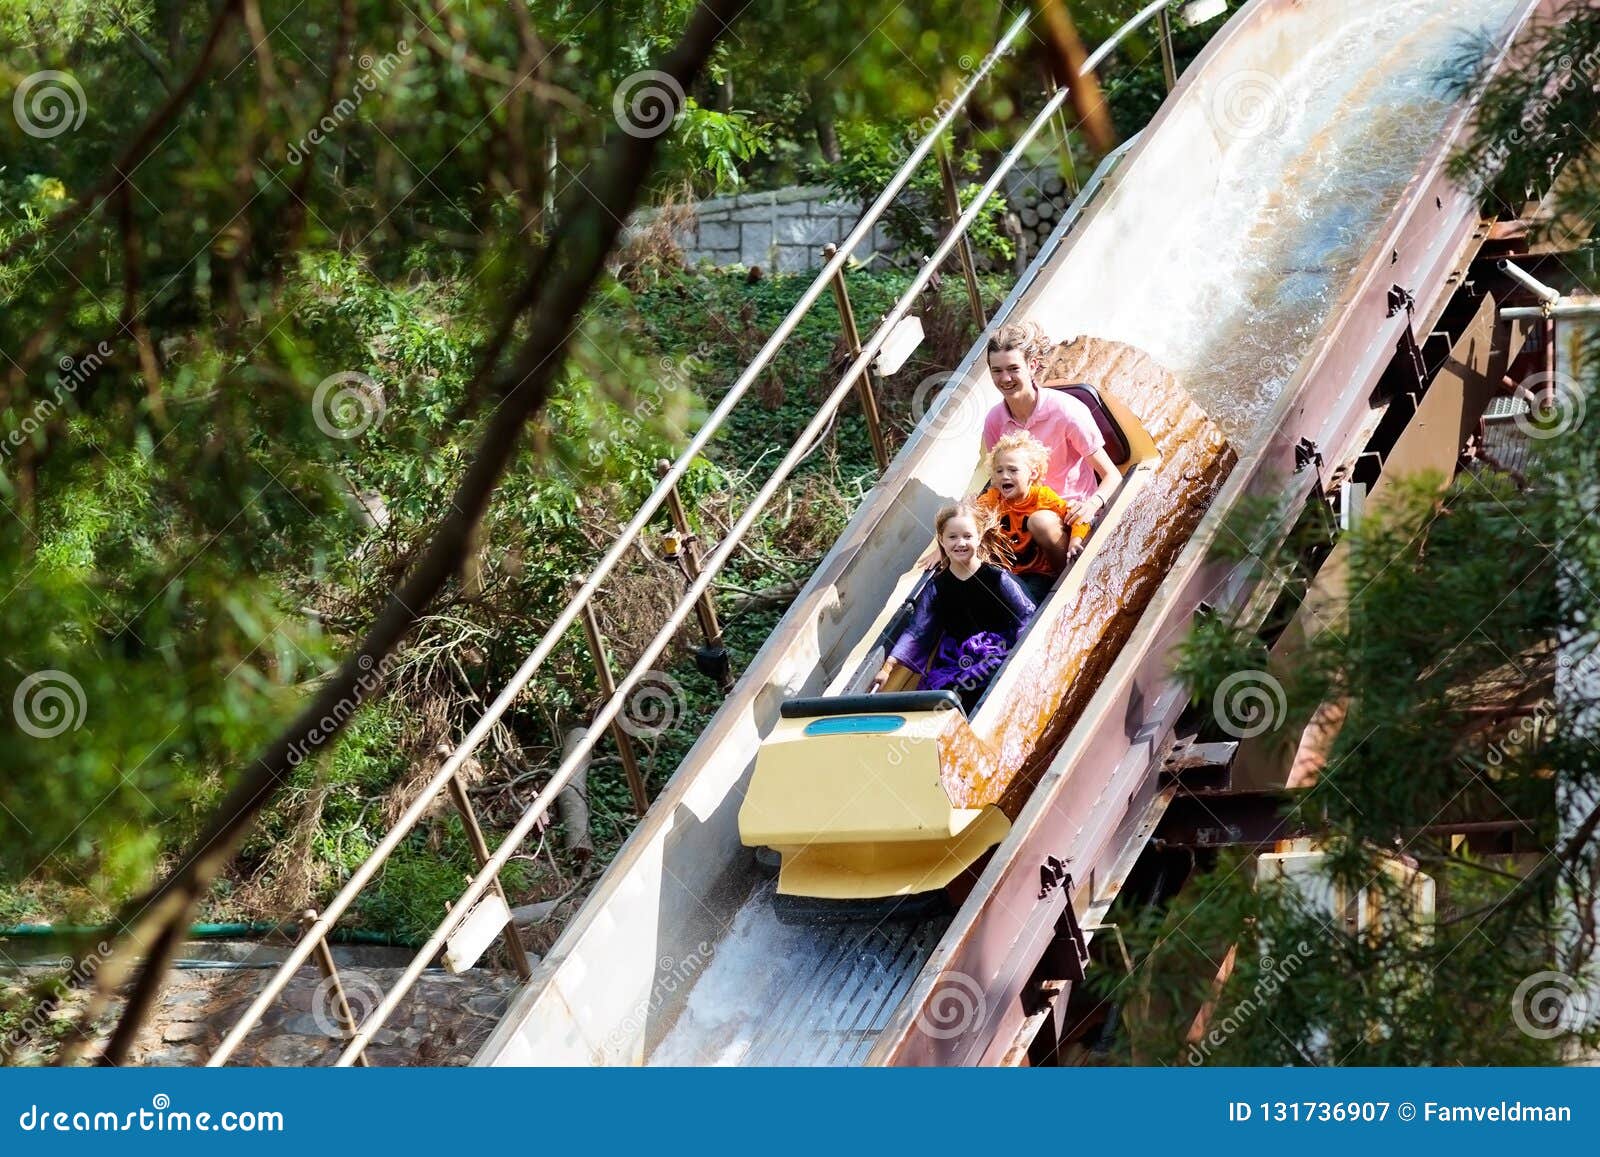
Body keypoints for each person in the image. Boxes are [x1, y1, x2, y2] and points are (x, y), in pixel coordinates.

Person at [871, 501, 1036, 712]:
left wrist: (1020, 651)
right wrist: (888, 667)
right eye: (952, 537)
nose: (960, 543)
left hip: (1000, 650)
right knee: (942, 698)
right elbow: (918, 631)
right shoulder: (937, 587)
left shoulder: (998, 578)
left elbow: (1027, 614)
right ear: (941, 539)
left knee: (988, 684)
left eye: (967, 536)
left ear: (979, 536)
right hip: (956, 659)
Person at [983, 320, 1120, 529]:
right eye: (997, 371)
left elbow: (1111, 475)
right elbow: (997, 481)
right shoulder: (994, 420)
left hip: (1071, 515)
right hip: (1024, 516)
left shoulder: (1066, 411)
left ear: (1032, 366)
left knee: (1041, 522)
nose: (1005, 378)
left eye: (1013, 368)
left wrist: (1092, 505)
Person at [974, 431, 1089, 604]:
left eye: (1013, 470)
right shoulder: (992, 499)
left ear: (1033, 474)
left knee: (1029, 599)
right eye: (999, 471)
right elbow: (967, 520)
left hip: (1042, 573)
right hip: (1013, 573)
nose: (1005, 476)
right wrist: (941, 548)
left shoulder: (1042, 497)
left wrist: (1075, 541)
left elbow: (1077, 518)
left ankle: (1065, 580)